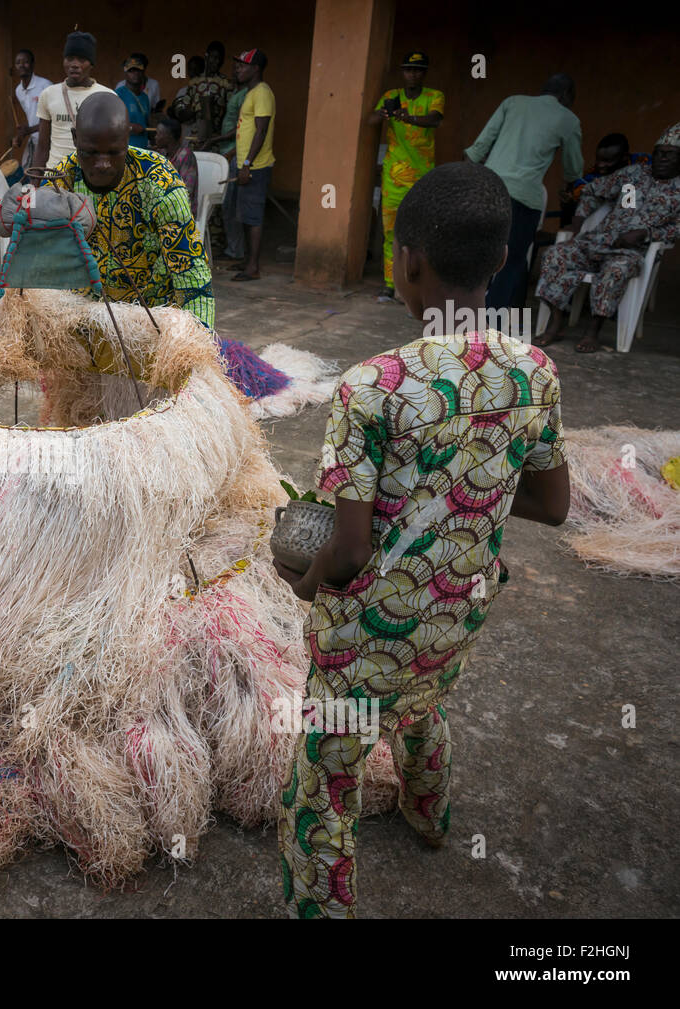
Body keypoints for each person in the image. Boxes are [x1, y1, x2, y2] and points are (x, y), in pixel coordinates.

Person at [272, 161, 570, 919]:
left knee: (326, 777)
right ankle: (430, 817)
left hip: (370, 629)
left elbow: (345, 550)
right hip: (457, 614)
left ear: (407, 262)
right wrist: (470, 490)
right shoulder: (535, 372)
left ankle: (321, 906)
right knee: (422, 705)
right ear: (503, 260)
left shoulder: (371, 386)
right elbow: (552, 502)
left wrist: (299, 582)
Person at [53, 93, 291, 400]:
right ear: (75, 139)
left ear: (130, 140)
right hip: (95, 320)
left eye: (114, 153)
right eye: (90, 153)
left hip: (154, 320)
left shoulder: (160, 184)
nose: (102, 165)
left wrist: (193, 350)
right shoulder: (63, 179)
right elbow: (43, 254)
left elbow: (192, 277)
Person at [535, 123, 679, 353]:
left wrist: (646, 233)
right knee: (555, 255)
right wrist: (577, 223)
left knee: (615, 271)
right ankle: (556, 321)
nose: (662, 159)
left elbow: (676, 228)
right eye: (659, 153)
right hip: (597, 240)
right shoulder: (633, 174)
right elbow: (593, 190)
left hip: (630, 252)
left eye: (670, 155)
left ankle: (593, 331)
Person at [465, 74, 582, 310]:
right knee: (512, 261)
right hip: (524, 198)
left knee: (477, 253)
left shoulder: (512, 102)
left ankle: (460, 312)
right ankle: (490, 321)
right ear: (566, 96)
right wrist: (569, 184)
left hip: (488, 189)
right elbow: (573, 170)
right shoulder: (568, 119)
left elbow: (478, 149)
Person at [367, 52, 444, 302]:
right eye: (409, 69)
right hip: (393, 178)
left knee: (420, 236)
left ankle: (414, 287)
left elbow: (434, 120)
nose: (413, 74)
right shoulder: (391, 97)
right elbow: (370, 120)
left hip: (422, 178)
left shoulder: (435, 97)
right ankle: (389, 285)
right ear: (403, 72)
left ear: (424, 73)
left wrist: (407, 118)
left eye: (418, 70)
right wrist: (385, 114)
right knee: (391, 233)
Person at [33, 30, 114, 172]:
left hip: (91, 177)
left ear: (91, 64)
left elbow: (114, 146)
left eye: (82, 59)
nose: (75, 64)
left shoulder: (107, 96)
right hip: (55, 176)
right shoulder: (48, 94)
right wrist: (34, 184)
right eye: (70, 58)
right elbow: (42, 146)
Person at [200, 51, 251, 262]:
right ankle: (233, 249)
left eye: (241, 67)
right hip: (228, 150)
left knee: (231, 205)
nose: (236, 70)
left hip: (233, 152)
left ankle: (235, 251)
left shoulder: (247, 95)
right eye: (235, 67)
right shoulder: (236, 92)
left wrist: (219, 143)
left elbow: (243, 129)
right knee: (228, 205)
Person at [231, 48, 275, 282]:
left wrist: (247, 164)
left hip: (256, 166)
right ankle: (248, 261)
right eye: (238, 64)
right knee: (246, 217)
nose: (238, 68)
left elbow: (261, 130)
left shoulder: (262, 93)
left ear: (256, 69)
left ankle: (253, 267)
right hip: (246, 165)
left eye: (243, 65)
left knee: (254, 217)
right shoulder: (251, 92)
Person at [561, 133, 650, 215]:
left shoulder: (643, 161)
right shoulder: (591, 176)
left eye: (607, 161)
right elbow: (581, 192)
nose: (600, 165)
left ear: (624, 157)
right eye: (598, 159)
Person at [171, 41, 232, 145]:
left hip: (215, 139)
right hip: (195, 138)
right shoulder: (194, 82)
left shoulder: (225, 84)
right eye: (214, 57)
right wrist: (198, 109)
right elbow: (183, 112)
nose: (216, 62)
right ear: (206, 56)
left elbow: (230, 113)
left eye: (219, 59)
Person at [12, 49, 51, 170]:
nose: (22, 65)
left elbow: (52, 119)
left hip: (49, 140)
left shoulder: (46, 86)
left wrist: (28, 130)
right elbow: (32, 117)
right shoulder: (18, 90)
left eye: (26, 62)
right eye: (18, 62)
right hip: (34, 139)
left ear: (33, 64)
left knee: (46, 173)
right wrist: (22, 133)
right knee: (29, 171)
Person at [153, 116, 197, 207]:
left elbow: (187, 190)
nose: (155, 137)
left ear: (169, 137)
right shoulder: (163, 154)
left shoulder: (186, 156)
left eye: (158, 134)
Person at [116, 54, 153, 150]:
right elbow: (110, 123)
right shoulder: (118, 94)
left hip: (142, 149)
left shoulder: (145, 97)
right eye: (131, 71)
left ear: (143, 72)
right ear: (125, 73)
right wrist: (131, 127)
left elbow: (147, 122)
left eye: (138, 70)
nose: (135, 73)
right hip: (124, 149)